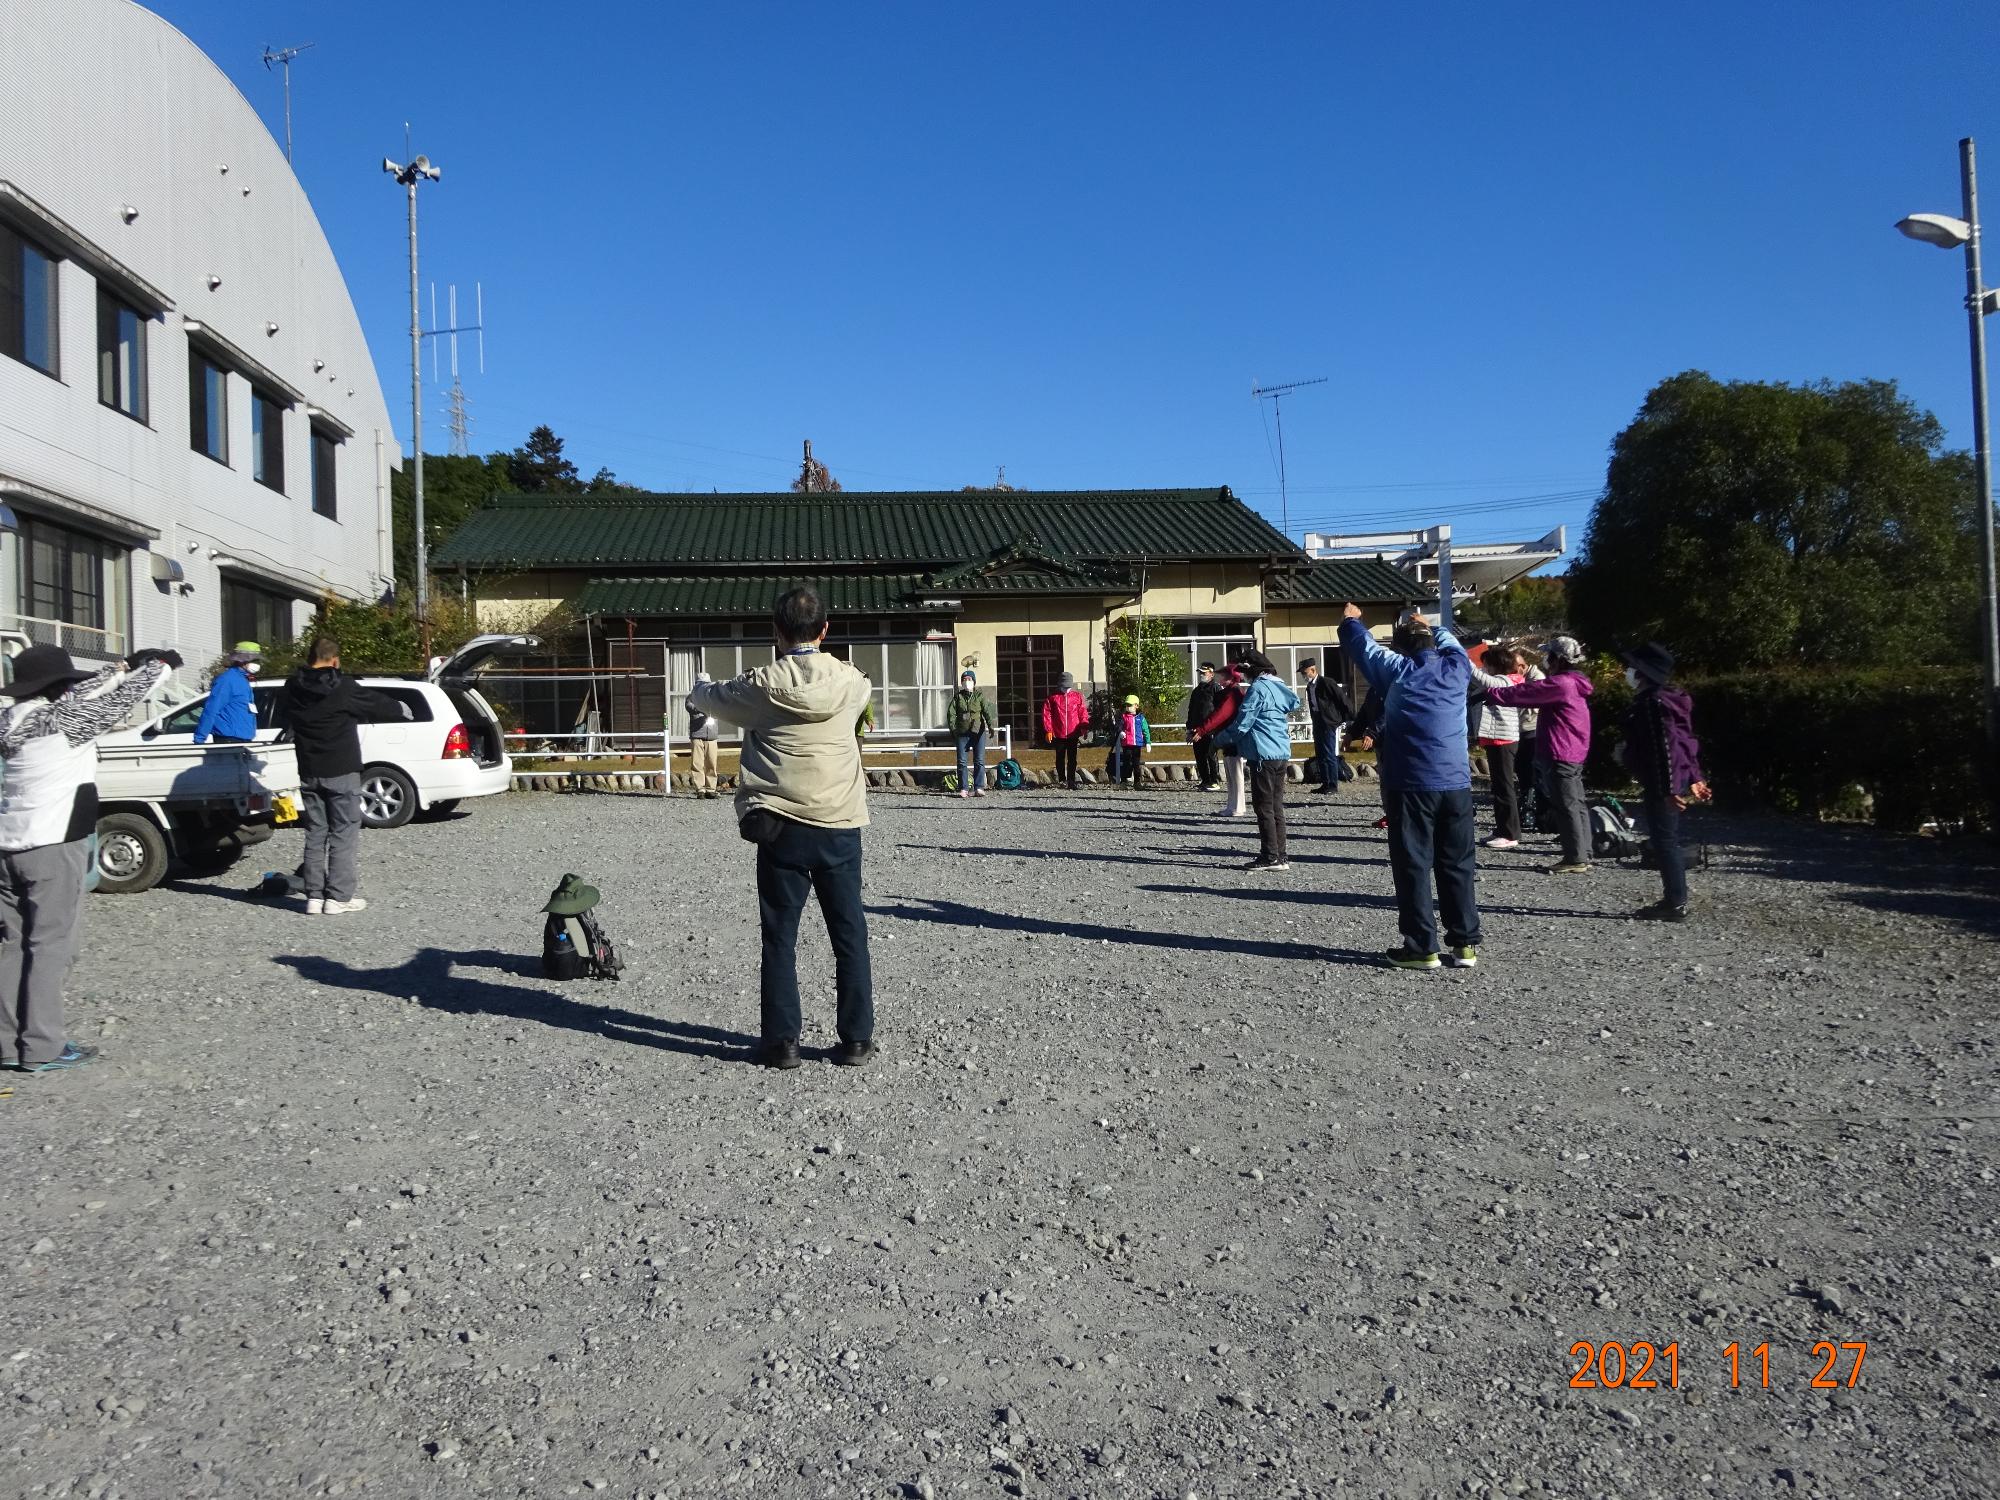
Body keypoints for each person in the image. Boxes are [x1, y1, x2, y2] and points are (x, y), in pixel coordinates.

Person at [689, 586, 875, 1070]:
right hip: (840, 820)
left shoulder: (761, 686)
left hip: (781, 824)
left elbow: (711, 699)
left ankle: (782, 1042)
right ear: (825, 629)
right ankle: (856, 1039)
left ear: (776, 632)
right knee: (849, 932)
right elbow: (855, 711)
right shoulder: (854, 683)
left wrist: (699, 689)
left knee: (780, 936)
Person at [1, 643, 179, 1072]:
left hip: (7, 845)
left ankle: (6, 1045)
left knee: (10, 948)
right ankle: (43, 1047)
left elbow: (84, 696)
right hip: (52, 845)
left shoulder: (11, 719)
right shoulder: (67, 722)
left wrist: (118, 667)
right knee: (50, 947)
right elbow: (124, 698)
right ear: (61, 686)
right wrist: (161, 665)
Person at [1338, 603, 1482, 969]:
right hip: (1456, 781)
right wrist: (1430, 624)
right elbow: (1453, 645)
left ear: (1401, 648)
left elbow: (1363, 647)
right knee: (1457, 862)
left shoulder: (1398, 670)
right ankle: (1464, 943)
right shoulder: (1457, 667)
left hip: (1412, 781)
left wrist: (1351, 620)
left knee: (1414, 863)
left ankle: (1422, 946)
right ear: (1433, 643)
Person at [281, 635, 415, 915]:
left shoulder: (292, 687)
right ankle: (339, 897)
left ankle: (314, 897)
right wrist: (402, 708)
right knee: (344, 832)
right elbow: (379, 704)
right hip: (341, 769)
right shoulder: (342, 687)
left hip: (308, 770)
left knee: (316, 832)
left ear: (309, 659)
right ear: (335, 660)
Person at [1486, 636, 1595, 874]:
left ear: (1557, 658)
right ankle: (1583, 850)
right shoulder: (1576, 682)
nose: (1546, 659)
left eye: (1549, 655)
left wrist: (1493, 694)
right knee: (1576, 803)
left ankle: (1575, 857)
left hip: (1560, 750)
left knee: (1566, 804)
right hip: (1575, 750)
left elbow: (1525, 692)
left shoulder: (1560, 684)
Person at [1620, 642, 1711, 921]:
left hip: (1663, 782)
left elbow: (1665, 748)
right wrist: (1694, 776)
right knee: (1666, 839)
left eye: (1633, 668)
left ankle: (1675, 901)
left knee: (1665, 841)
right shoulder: (1671, 699)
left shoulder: (1651, 704)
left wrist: (1670, 789)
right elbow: (1685, 742)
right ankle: (1674, 898)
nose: (1628, 672)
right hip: (1674, 778)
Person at [1218, 651, 1300, 870]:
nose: (1243, 676)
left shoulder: (1258, 689)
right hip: (1280, 753)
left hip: (1263, 754)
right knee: (1276, 806)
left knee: (1263, 807)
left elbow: (1243, 723)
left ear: (1252, 670)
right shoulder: (1277, 687)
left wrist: (1219, 739)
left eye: (1244, 672)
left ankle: (1269, 856)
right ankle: (1281, 855)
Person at [1467, 645, 1526, 848]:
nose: (1485, 668)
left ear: (1496, 665)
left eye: (1487, 664)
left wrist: (1460, 656)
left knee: (1505, 787)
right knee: (1499, 786)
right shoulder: (1504, 679)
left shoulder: (1505, 681)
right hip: (1496, 739)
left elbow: (1479, 677)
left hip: (1503, 740)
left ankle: (1510, 833)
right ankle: (1502, 830)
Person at [1190, 660, 1251, 816]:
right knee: (1232, 773)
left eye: (1224, 675)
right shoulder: (1227, 691)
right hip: (1226, 735)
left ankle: (1237, 806)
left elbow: (1220, 715)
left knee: (1235, 773)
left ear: (1231, 677)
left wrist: (1203, 729)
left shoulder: (1233, 692)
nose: (1221, 677)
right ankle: (1233, 806)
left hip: (1231, 736)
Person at [1300, 658, 1353, 795]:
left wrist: (1347, 719)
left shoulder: (1326, 682)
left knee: (1329, 753)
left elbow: (1342, 700)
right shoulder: (1310, 687)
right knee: (1321, 753)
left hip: (1329, 722)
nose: (1304, 676)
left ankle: (1332, 784)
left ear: (1313, 670)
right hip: (1317, 721)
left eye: (1305, 673)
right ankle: (1325, 782)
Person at [194, 641, 260, 744]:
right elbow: (212, 709)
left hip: (244, 738)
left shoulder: (243, 680)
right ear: (242, 660)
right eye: (254, 660)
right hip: (228, 738)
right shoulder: (226, 680)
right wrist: (200, 738)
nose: (257, 664)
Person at [1513, 648, 1549, 833]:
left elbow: (1532, 701)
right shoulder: (1522, 678)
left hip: (1532, 731)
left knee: (1534, 775)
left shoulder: (1537, 678)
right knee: (1524, 774)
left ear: (1521, 666)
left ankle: (1539, 814)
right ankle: (1529, 810)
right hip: (1521, 731)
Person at [947, 669, 996, 798]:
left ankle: (978, 787)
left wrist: (991, 726)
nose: (966, 682)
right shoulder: (958, 697)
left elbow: (986, 712)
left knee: (979, 760)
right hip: (962, 733)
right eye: (964, 679)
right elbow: (951, 714)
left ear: (974, 682)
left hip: (978, 732)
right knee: (962, 761)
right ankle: (963, 788)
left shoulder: (979, 696)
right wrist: (953, 728)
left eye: (969, 679)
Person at [1041, 672, 1089, 789]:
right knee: (1060, 757)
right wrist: (1049, 730)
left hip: (1073, 732)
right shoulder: (1053, 698)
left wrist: (1084, 727)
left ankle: (1071, 779)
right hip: (1059, 733)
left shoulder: (1077, 697)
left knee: (1072, 758)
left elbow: (1082, 713)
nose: (1066, 689)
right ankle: (1062, 779)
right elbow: (1047, 715)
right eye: (1064, 686)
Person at [1185, 663, 1224, 790]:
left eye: (1204, 672)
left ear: (1211, 674)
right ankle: (1205, 780)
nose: (1201, 675)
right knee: (1199, 756)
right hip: (1196, 729)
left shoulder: (1216, 688)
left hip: (1210, 729)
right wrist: (1189, 728)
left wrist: (1217, 727)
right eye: (1200, 673)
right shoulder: (1196, 691)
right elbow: (1191, 710)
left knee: (1210, 754)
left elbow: (1220, 710)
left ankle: (1214, 780)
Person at [686, 671, 722, 798]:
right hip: (697, 735)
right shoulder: (691, 697)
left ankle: (711, 788)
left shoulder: (714, 698)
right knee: (697, 763)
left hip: (711, 736)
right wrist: (703, 708)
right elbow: (690, 707)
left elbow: (719, 709)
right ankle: (700, 789)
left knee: (711, 763)